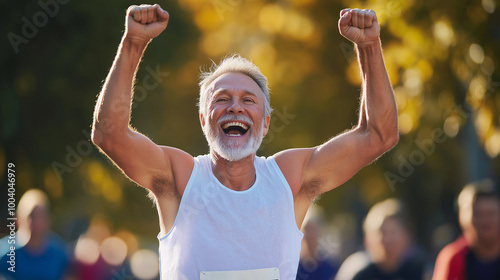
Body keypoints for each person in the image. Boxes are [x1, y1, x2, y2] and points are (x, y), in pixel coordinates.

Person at [91, 4, 398, 279]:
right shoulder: (180, 178)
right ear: (203, 120)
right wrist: (133, 44)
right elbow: (109, 134)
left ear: (265, 124)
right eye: (222, 98)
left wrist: (369, 47)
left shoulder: (289, 180)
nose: (235, 106)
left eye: (248, 100)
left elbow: (379, 135)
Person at [335, 199, 427, 280]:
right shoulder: (356, 271)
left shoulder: (420, 272)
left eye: (393, 233)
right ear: (367, 238)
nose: (388, 240)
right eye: (381, 232)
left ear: (407, 237)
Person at [432, 179, 500, 280]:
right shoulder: (453, 258)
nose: (485, 221)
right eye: (478, 214)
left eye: (491, 214)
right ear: (462, 217)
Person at [0, 189, 69, 280]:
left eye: (41, 216)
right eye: (31, 216)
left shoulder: (59, 255)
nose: (36, 223)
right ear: (18, 218)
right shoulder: (4, 253)